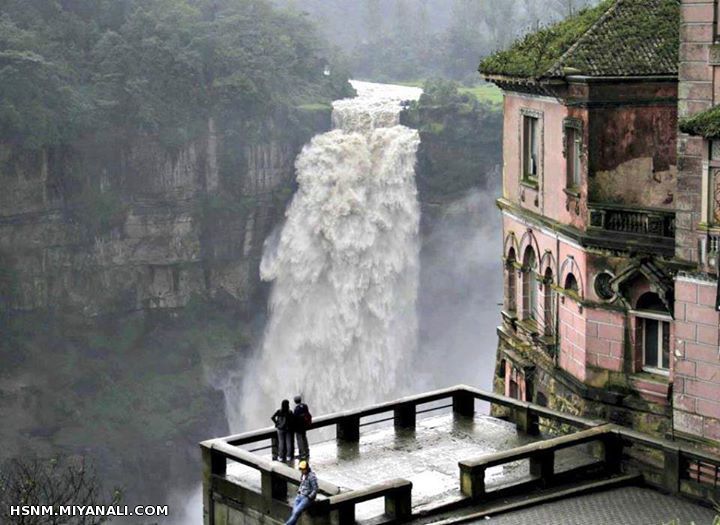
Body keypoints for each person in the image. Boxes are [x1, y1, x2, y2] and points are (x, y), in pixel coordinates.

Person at [285, 460, 317, 525]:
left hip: (306, 498)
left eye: (303, 469)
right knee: (294, 513)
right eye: (301, 469)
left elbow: (315, 489)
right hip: (299, 496)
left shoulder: (312, 476)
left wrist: (309, 497)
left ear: (307, 468)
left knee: (296, 512)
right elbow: (302, 484)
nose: (302, 471)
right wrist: (299, 492)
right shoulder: (303, 475)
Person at [293, 395, 311, 460]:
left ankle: (302, 454)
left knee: (299, 440)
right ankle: (307, 452)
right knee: (304, 438)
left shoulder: (296, 409)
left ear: (295, 401)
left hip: (298, 427)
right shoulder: (305, 406)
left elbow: (295, 418)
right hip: (304, 425)